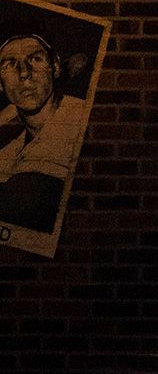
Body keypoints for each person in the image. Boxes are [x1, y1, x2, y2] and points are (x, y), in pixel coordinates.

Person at [0, 30, 88, 232]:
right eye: (10, 64)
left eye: (36, 59)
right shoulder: (9, 152)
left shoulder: (79, 120)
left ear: (55, 66)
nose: (24, 73)